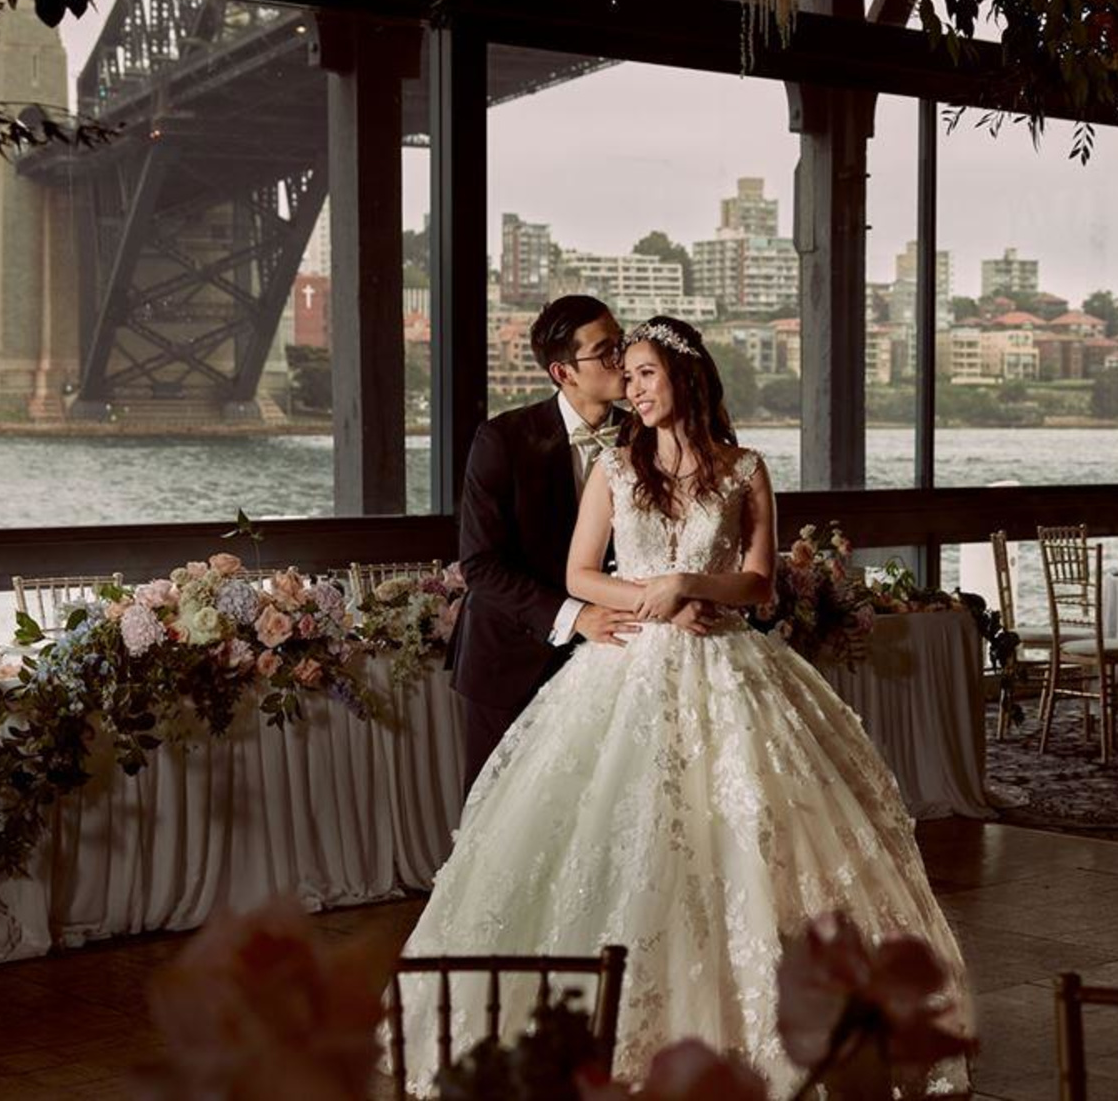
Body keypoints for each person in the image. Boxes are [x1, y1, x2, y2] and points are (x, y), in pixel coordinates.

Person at [399, 316, 972, 1093]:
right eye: (624, 373)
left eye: (642, 373)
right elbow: (577, 574)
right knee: (626, 838)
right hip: (628, 665)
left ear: (685, 376)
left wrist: (692, 586)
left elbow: (760, 582)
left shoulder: (746, 469)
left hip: (729, 664)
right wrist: (655, 597)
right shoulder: (614, 468)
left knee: (744, 836)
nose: (630, 388)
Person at [451, 295, 719, 792]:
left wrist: (667, 603)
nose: (623, 360)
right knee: (498, 816)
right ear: (564, 372)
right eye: (606, 351)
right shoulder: (502, 440)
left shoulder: (648, 434)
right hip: (511, 656)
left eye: (622, 343)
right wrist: (578, 615)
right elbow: (483, 565)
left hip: (621, 658)